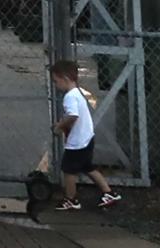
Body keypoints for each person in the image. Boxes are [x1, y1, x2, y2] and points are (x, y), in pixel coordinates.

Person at [50, 60, 121, 211]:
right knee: (88, 167)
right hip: (87, 138)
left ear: (65, 78)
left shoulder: (69, 96)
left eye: (56, 81)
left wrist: (59, 126)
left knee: (68, 169)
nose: (56, 85)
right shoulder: (78, 93)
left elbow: (73, 116)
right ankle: (109, 193)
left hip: (77, 142)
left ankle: (71, 199)